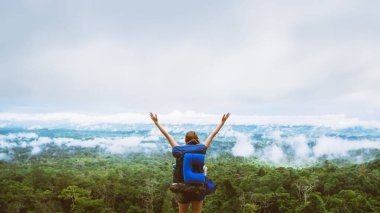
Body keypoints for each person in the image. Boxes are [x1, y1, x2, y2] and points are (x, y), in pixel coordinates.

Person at [150, 112, 230, 213]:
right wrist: (222, 122)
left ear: (185, 140)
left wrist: (156, 122)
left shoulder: (178, 150)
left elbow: (166, 135)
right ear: (197, 139)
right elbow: (212, 135)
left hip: (182, 187)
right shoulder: (201, 149)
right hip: (198, 188)